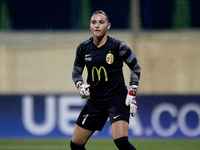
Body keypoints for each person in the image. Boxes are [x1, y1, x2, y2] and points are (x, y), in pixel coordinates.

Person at [71, 10, 141, 150]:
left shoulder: (119, 47)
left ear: (108, 26)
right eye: (93, 22)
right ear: (90, 26)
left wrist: (132, 93)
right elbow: (76, 72)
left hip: (117, 99)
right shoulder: (83, 48)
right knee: (75, 145)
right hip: (95, 102)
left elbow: (136, 68)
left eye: (101, 22)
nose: (97, 26)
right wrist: (80, 85)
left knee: (120, 141)